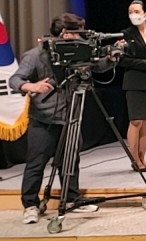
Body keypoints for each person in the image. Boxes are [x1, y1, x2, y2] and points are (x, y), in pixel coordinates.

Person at [10, 13, 117, 224]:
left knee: (71, 160)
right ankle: (30, 205)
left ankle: (71, 198)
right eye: (77, 33)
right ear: (66, 33)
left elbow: (97, 66)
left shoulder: (78, 52)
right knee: (36, 163)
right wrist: (32, 86)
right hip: (44, 119)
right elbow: (15, 79)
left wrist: (111, 59)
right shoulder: (36, 55)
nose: (80, 37)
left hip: (71, 117)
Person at [118, 0, 146, 172]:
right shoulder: (125, 34)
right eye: (131, 12)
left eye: (136, 11)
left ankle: (143, 158)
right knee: (136, 120)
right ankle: (135, 160)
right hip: (135, 82)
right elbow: (123, 59)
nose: (133, 15)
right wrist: (145, 64)